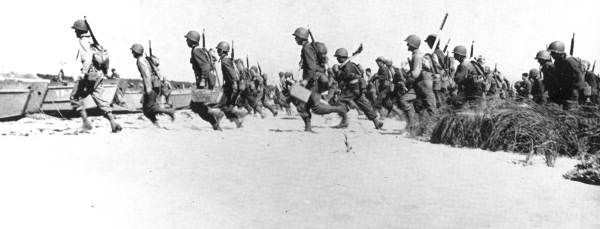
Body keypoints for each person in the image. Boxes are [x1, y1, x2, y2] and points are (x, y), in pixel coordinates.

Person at [69, 19, 121, 133]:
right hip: (99, 74)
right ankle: (113, 122)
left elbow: (86, 59)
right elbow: (105, 58)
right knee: (99, 99)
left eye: (75, 30)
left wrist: (84, 74)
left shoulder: (83, 41)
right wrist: (105, 72)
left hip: (90, 74)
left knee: (74, 97)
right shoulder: (94, 41)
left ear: (79, 30)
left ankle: (86, 124)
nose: (74, 32)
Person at [291, 27, 348, 131]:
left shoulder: (307, 48)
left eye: (296, 37)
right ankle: (308, 128)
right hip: (313, 79)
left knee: (316, 107)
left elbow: (312, 67)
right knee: (301, 103)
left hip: (313, 81)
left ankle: (341, 109)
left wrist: (306, 80)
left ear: (301, 38)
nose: (295, 39)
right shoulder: (309, 47)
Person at [333, 48, 384, 129]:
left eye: (338, 57)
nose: (337, 59)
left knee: (340, 101)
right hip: (358, 89)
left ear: (342, 57)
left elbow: (346, 77)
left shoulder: (347, 66)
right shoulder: (351, 65)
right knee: (364, 105)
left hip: (352, 89)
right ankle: (376, 121)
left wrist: (337, 72)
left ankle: (344, 121)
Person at [185, 30, 225, 130]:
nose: (186, 41)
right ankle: (215, 122)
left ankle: (217, 115)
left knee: (196, 105)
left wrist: (202, 80)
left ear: (192, 40)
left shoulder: (196, 50)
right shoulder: (198, 49)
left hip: (204, 82)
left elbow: (205, 66)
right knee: (197, 105)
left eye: (188, 39)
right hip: (206, 81)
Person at [130, 43, 175, 127]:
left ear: (136, 52)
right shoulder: (145, 59)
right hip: (155, 85)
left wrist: (148, 88)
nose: (132, 53)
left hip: (152, 86)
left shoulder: (140, 61)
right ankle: (156, 124)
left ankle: (169, 112)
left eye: (133, 51)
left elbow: (146, 74)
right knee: (146, 110)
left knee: (150, 107)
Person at [547, 41, 586, 110]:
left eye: (553, 53)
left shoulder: (570, 61)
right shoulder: (558, 61)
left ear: (559, 53)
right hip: (565, 89)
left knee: (570, 109)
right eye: (551, 53)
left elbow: (579, 77)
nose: (552, 55)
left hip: (573, 90)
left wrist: (576, 91)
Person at [216, 41, 246, 127]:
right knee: (226, 106)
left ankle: (217, 123)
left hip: (231, 86)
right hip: (230, 85)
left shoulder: (225, 60)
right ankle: (237, 122)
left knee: (223, 105)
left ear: (222, 51)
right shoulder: (228, 59)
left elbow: (231, 73)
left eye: (219, 50)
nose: (218, 52)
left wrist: (233, 83)